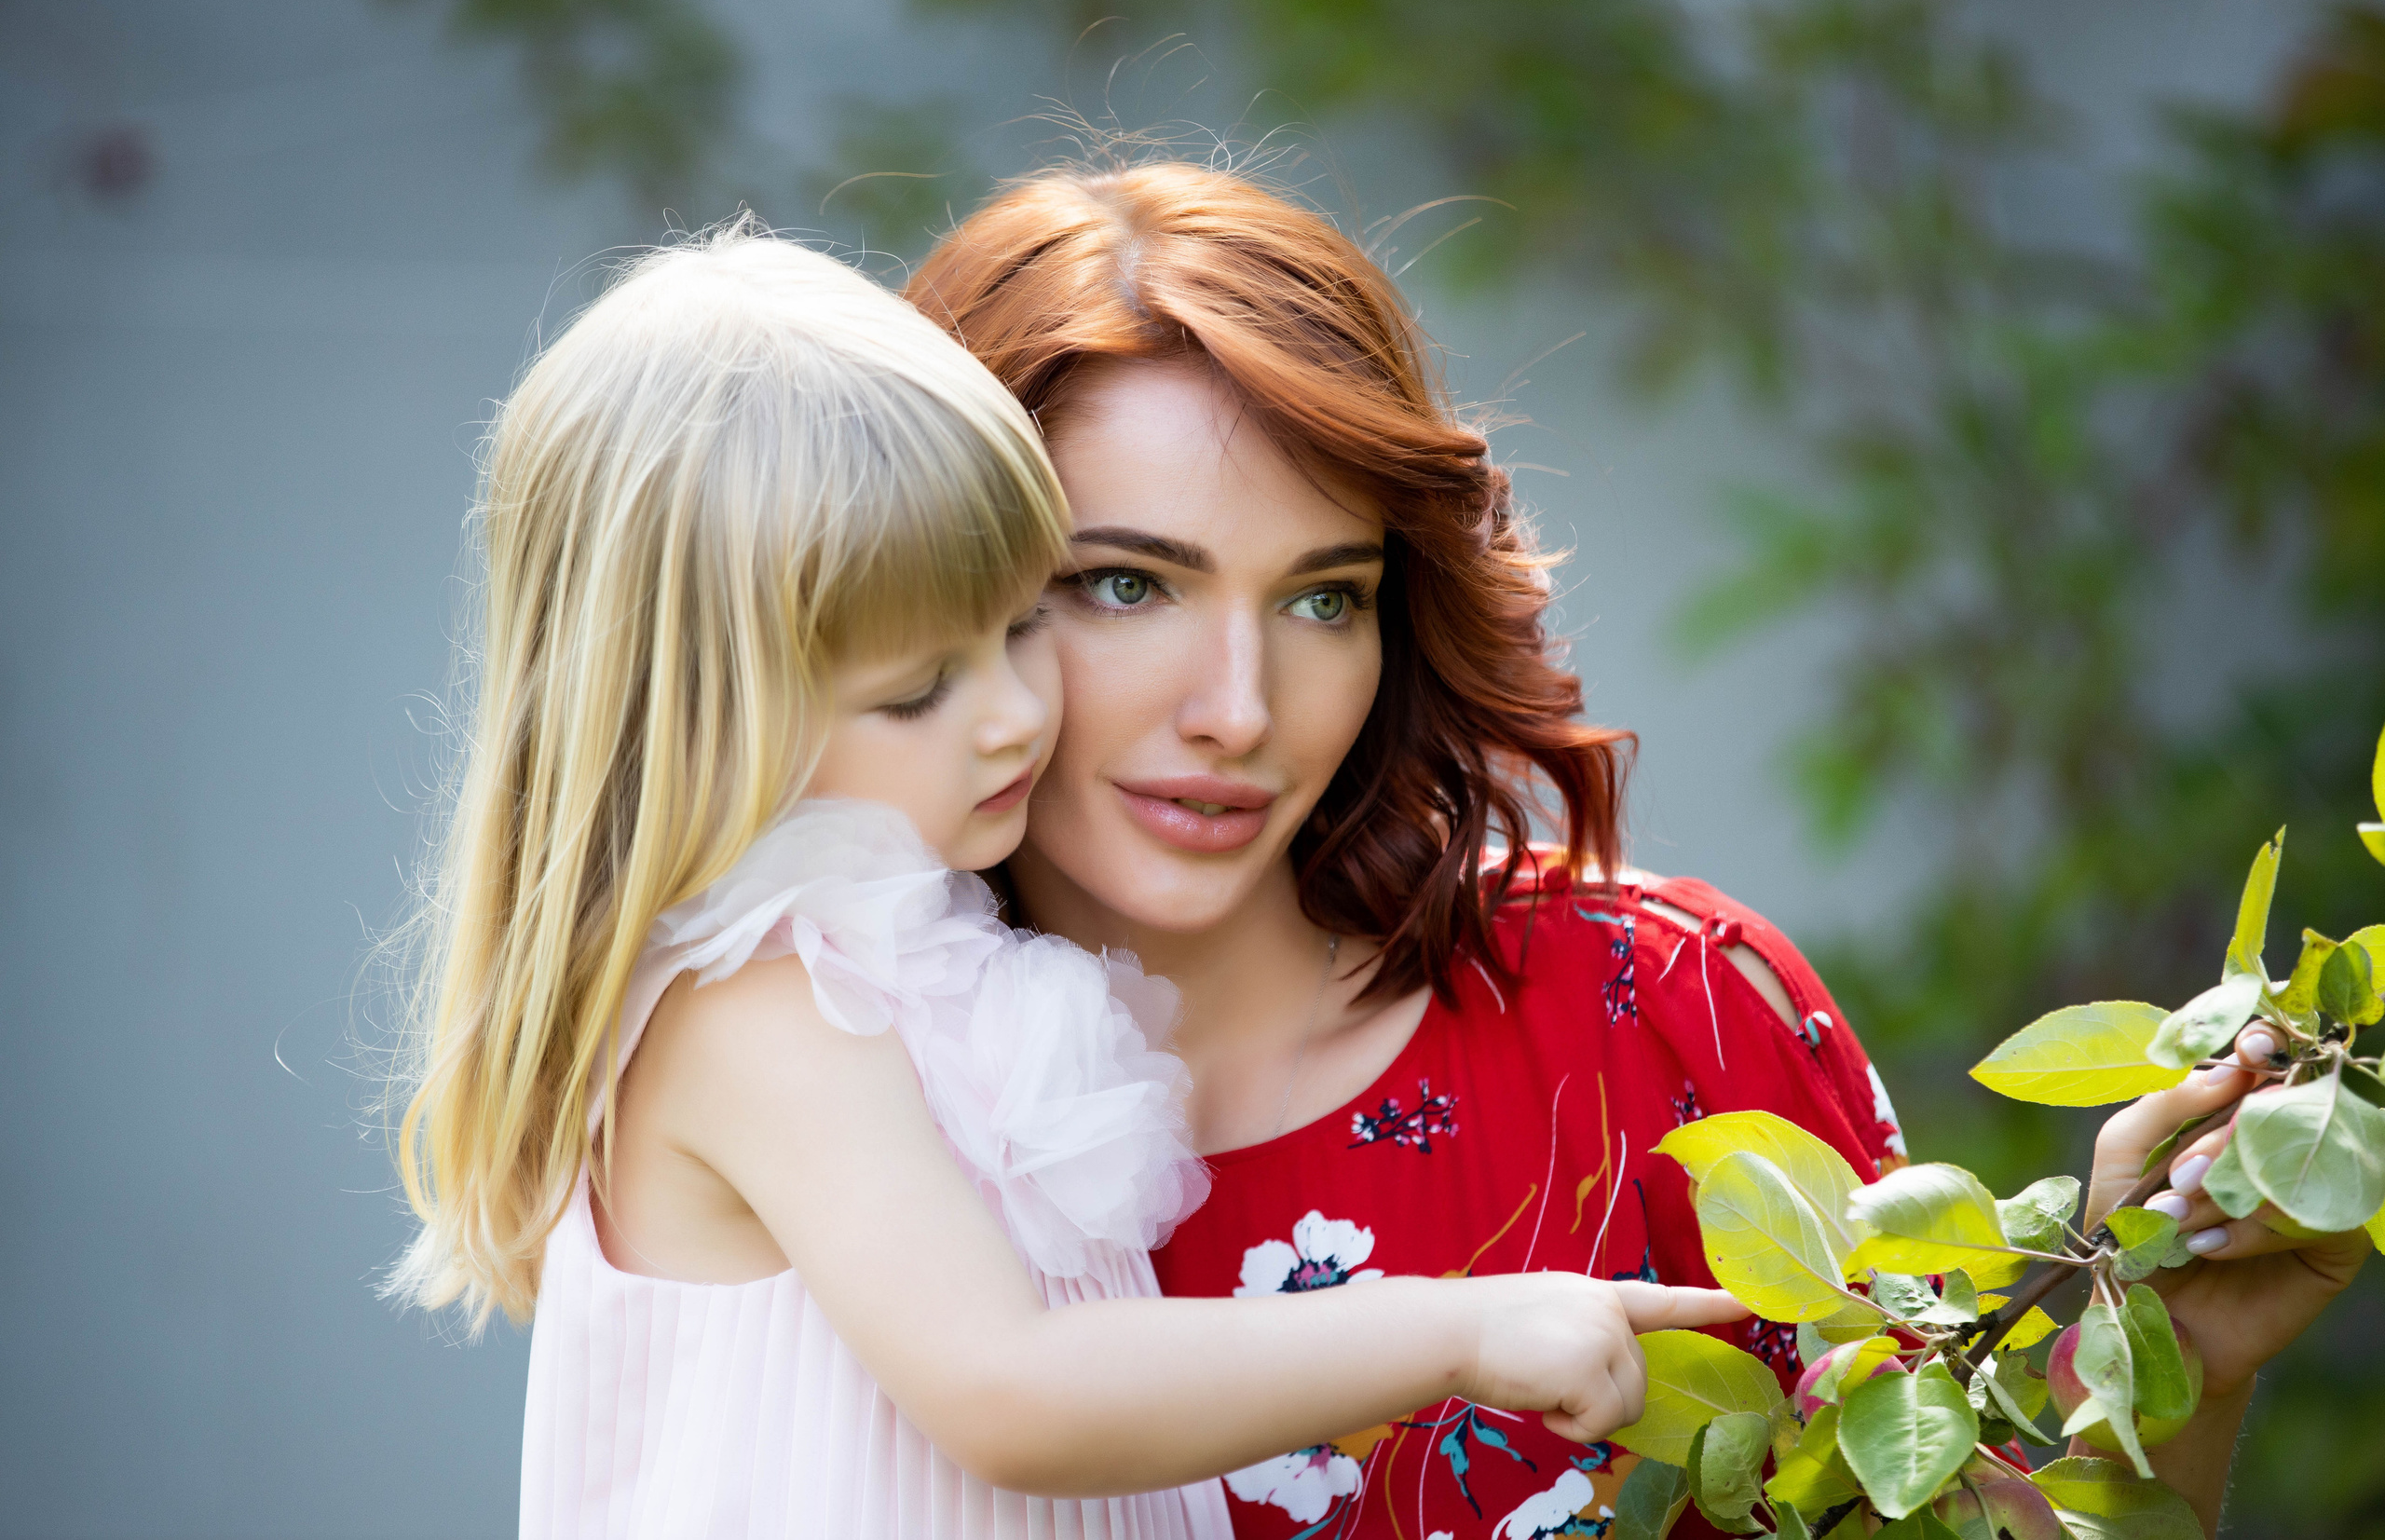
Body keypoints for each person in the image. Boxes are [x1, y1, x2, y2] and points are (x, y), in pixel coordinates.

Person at [906, 160, 2369, 1539]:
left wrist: (2171, 1370)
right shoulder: (821, 1106)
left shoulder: (1658, 1016)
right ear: (903, 590)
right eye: (1125, 584)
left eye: (1322, 598)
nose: (1237, 710)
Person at [386, 225, 1748, 1540]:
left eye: (1017, 628)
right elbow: (1012, 1392)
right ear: (701, 717)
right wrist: (1457, 1330)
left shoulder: (919, 968)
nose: (1013, 717)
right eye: (919, 688)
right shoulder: (762, 1011)